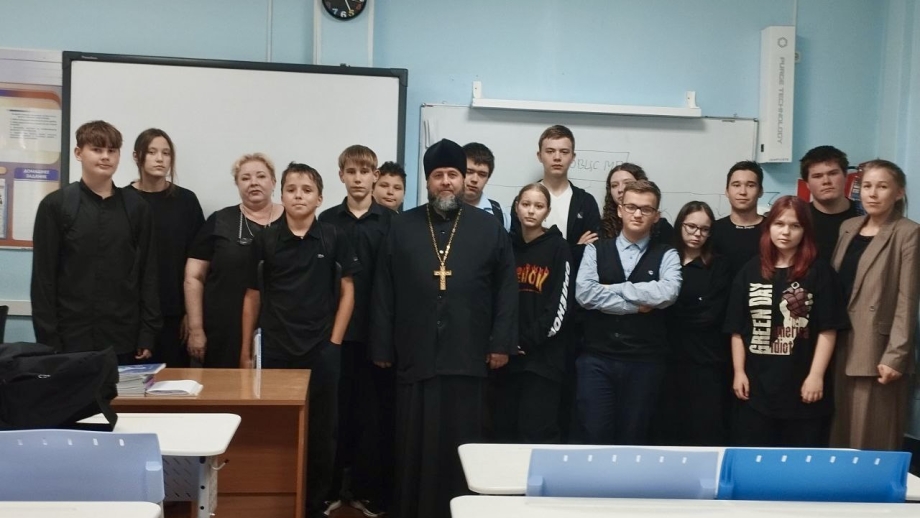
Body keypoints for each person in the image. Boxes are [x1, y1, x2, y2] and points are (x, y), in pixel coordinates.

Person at [370, 138, 518, 518]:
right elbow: (384, 289)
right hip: (415, 351)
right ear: (428, 181)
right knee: (413, 441)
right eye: (438, 175)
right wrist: (382, 345)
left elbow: (506, 289)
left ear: (464, 178)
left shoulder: (488, 228)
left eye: (453, 174)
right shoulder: (402, 226)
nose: (446, 182)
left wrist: (500, 342)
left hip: (468, 352)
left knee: (463, 440)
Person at [240, 162, 359, 518]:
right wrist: (245, 351)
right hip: (276, 349)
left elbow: (348, 291)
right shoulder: (266, 239)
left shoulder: (334, 237)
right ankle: (276, 500)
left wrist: (334, 343)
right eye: (291, 189)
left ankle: (314, 503)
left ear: (319, 198)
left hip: (321, 350)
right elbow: (252, 297)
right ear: (282, 195)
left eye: (307, 190)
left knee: (322, 432)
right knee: (275, 429)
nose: (298, 196)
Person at [31, 120, 161, 364]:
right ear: (78, 153)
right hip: (69, 338)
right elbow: (43, 279)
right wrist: (48, 340)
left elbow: (148, 273)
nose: (105, 157)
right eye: (97, 149)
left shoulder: (137, 208)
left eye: (112, 150)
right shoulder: (56, 205)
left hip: (123, 336)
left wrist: (147, 332)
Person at [724, 196, 848, 447]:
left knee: (800, 460)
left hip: (802, 387)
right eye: (779, 224)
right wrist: (739, 372)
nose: (786, 232)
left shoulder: (819, 272)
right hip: (756, 388)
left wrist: (816, 376)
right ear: (768, 227)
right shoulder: (750, 271)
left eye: (795, 226)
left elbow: (828, 329)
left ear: (805, 231)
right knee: (756, 457)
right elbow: (737, 328)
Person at [318, 145, 396, 517]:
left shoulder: (392, 223)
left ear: (375, 176)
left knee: (372, 417)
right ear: (341, 176)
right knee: (335, 415)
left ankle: (366, 491)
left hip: (377, 335)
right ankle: (331, 489)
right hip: (335, 334)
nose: (358, 178)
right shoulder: (327, 221)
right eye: (351, 171)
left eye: (365, 171)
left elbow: (396, 282)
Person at [574, 180, 681, 445]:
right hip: (597, 359)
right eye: (631, 206)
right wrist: (636, 305)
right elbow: (585, 294)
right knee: (594, 435)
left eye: (646, 209)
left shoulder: (667, 254)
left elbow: (667, 293)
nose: (638, 214)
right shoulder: (595, 249)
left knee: (634, 439)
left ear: (656, 216)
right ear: (620, 210)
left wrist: (615, 288)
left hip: (645, 362)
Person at [831, 160, 920, 450]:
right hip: (841, 343)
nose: (872, 193)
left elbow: (908, 299)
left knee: (871, 440)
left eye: (882, 186)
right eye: (867, 186)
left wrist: (896, 356)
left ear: (898, 192)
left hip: (878, 349)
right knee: (840, 436)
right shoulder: (848, 227)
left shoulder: (908, 232)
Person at [520, 124, 601, 442]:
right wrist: (571, 247)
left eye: (564, 152)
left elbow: (590, 256)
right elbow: (523, 250)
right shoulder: (528, 198)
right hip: (532, 305)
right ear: (539, 155)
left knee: (564, 397)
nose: (557, 157)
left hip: (575, 312)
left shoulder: (585, 202)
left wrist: (566, 252)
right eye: (550, 151)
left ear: (573, 157)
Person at [184, 153, 283, 367]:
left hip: (281, 331)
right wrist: (196, 329)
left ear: (274, 182)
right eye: (245, 178)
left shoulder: (293, 221)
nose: (253, 182)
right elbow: (194, 277)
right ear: (237, 184)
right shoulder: (219, 221)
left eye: (261, 176)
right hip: (224, 330)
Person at [493, 183, 572, 444]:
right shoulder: (505, 246)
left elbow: (560, 306)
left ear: (547, 211)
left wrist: (526, 341)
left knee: (536, 433)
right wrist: (505, 341)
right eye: (526, 204)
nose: (531, 211)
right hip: (506, 359)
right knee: (504, 433)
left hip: (542, 361)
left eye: (538, 206)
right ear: (516, 207)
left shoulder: (559, 247)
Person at [656, 201, 732, 446]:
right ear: (680, 225)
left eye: (704, 229)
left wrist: (670, 308)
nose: (697, 234)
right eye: (691, 226)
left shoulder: (719, 265)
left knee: (704, 432)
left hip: (705, 361)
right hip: (666, 360)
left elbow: (712, 314)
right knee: (667, 431)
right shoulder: (663, 260)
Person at [128, 128, 204, 367]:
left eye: (166, 153)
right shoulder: (123, 200)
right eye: (152, 152)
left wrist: (191, 314)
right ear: (137, 156)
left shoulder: (186, 201)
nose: (160, 159)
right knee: (132, 384)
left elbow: (198, 260)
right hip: (132, 315)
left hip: (174, 313)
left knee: (176, 383)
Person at [800, 146, 859, 260]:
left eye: (833, 173)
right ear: (807, 184)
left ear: (845, 176)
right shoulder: (799, 218)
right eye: (817, 176)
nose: (826, 181)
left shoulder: (866, 217)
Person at [710, 161, 766, 278]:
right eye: (736, 185)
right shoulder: (713, 230)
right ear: (727, 191)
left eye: (750, 185)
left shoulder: (772, 230)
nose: (742, 192)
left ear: (760, 191)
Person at [601, 162, 674, 245]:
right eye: (614, 185)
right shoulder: (602, 227)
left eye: (627, 183)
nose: (620, 189)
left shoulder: (661, 227)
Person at [462, 142, 511, 231]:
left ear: (487, 179)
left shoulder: (499, 213)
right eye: (469, 172)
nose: (475, 179)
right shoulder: (444, 208)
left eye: (482, 174)